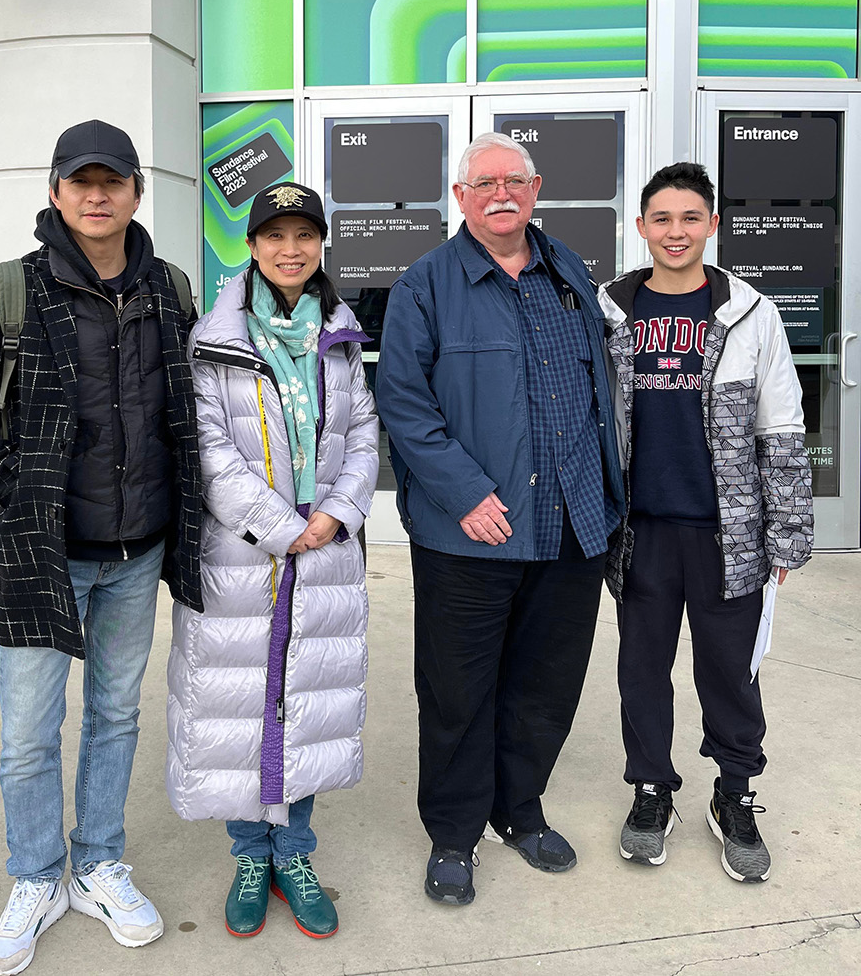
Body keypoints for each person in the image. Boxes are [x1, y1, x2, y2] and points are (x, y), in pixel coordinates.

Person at [0, 120, 202, 975]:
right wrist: (15, 494)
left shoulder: (172, 288)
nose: (96, 194)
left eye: (111, 181)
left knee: (116, 715)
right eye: (79, 181)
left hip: (140, 548)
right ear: (55, 193)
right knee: (28, 733)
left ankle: (97, 861)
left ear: (134, 192)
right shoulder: (6, 288)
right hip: (43, 552)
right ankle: (38, 873)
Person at [376, 132, 626, 906]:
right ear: (460, 197)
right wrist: (464, 492)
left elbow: (603, 390)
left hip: (572, 525)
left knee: (545, 685)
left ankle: (518, 811)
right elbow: (404, 403)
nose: (500, 194)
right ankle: (454, 834)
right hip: (471, 533)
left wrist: (611, 498)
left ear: (536, 186)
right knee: (457, 689)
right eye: (483, 182)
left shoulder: (570, 274)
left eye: (513, 180)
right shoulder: (425, 285)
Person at [166, 182, 378, 941]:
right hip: (242, 556)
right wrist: (279, 525)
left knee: (307, 705)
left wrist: (337, 513)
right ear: (251, 246)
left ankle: (295, 853)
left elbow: (361, 434)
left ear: (320, 244)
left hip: (324, 552)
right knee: (238, 707)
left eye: (305, 234)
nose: (291, 249)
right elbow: (209, 448)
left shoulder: (343, 334)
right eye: (275, 234)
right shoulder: (214, 338)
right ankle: (250, 853)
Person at [599, 161, 813, 882]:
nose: (676, 231)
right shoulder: (611, 312)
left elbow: (780, 424)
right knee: (642, 671)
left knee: (730, 672)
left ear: (712, 224)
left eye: (691, 217)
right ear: (642, 228)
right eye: (662, 218)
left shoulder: (750, 312)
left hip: (730, 534)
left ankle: (734, 791)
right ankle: (651, 788)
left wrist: (784, 529)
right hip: (642, 533)